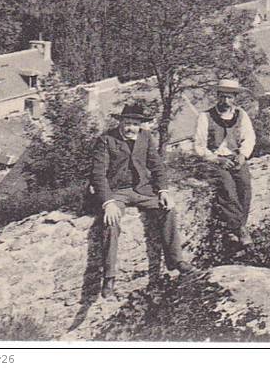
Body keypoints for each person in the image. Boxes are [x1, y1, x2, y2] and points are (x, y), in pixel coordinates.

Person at [91, 102, 194, 299]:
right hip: (116, 192)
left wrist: (163, 190)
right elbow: (98, 174)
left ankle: (176, 260)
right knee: (110, 222)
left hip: (142, 190)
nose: (130, 128)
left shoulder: (146, 138)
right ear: (120, 122)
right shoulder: (105, 140)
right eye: (127, 123)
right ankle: (109, 278)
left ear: (141, 125)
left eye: (135, 124)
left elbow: (157, 166)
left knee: (168, 210)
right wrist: (107, 202)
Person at [193, 79, 256, 247]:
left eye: (229, 97)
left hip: (234, 157)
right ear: (217, 97)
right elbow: (199, 146)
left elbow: (249, 138)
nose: (225, 101)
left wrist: (242, 155)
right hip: (213, 160)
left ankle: (233, 229)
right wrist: (217, 159)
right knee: (227, 185)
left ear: (235, 98)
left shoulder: (241, 115)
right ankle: (240, 228)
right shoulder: (205, 117)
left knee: (244, 184)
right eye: (222, 97)